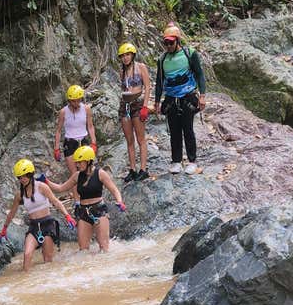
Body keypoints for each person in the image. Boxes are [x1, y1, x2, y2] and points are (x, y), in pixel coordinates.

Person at [0, 159, 77, 269]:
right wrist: (4, 229)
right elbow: (11, 213)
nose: (22, 179)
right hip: (34, 227)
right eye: (19, 177)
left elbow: (55, 201)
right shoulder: (19, 195)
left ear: (31, 174)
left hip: (47, 225)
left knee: (48, 259)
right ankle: (25, 279)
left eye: (25, 176)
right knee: (27, 254)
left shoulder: (42, 187)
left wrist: (67, 216)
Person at [46, 146, 126, 252]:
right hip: (83, 212)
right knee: (83, 250)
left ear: (88, 161)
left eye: (80, 162)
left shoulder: (100, 173)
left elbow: (114, 190)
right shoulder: (77, 176)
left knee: (104, 247)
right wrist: (46, 181)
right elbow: (60, 188)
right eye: (77, 163)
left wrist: (119, 201)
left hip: (99, 210)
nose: (77, 165)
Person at [154, 22, 207, 175]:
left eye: (171, 42)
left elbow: (199, 74)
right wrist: (157, 101)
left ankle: (192, 161)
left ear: (177, 40)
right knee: (174, 131)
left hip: (188, 97)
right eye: (166, 43)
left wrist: (202, 96)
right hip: (171, 98)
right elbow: (159, 81)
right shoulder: (162, 59)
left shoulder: (189, 53)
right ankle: (176, 161)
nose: (168, 45)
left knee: (188, 129)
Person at [54, 85, 98, 203]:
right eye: (74, 100)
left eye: (78, 100)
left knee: (88, 170)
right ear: (69, 100)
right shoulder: (63, 112)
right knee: (74, 173)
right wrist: (56, 148)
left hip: (83, 141)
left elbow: (90, 126)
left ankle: (88, 195)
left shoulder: (86, 109)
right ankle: (77, 201)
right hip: (70, 142)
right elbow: (58, 130)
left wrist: (93, 142)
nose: (76, 102)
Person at [118, 43, 152, 183]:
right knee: (129, 139)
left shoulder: (141, 67)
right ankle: (132, 169)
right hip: (125, 104)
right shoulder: (122, 72)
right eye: (123, 56)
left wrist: (145, 106)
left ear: (132, 55)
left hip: (137, 103)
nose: (125, 58)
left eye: (127, 55)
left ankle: (143, 169)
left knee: (140, 138)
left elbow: (148, 86)